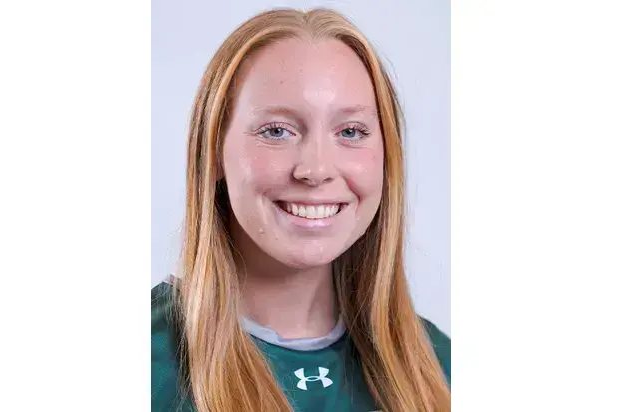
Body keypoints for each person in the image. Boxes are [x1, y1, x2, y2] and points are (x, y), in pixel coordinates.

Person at [152, 7, 451, 412]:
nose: (316, 169)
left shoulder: (440, 367)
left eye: (351, 131)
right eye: (277, 131)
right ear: (214, 151)